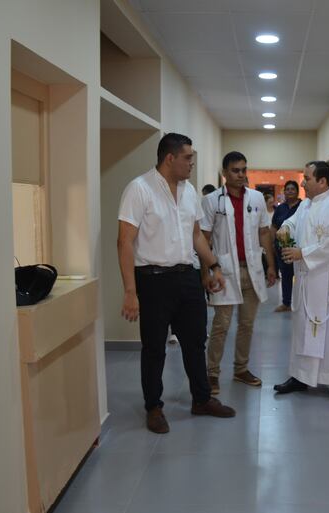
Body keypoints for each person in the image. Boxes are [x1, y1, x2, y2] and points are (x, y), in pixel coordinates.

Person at [117, 132, 236, 434]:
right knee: (155, 347)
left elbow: (196, 235)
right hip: (153, 280)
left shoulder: (189, 191)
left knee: (195, 342)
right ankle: (154, 407)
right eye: (188, 157)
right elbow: (124, 242)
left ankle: (201, 399)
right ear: (170, 158)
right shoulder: (139, 189)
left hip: (187, 278)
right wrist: (130, 292)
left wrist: (213, 265)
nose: (192, 163)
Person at [273, 161, 329, 401]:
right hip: (306, 280)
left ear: (322, 181)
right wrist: (285, 227)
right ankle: (300, 376)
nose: (303, 182)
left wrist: (303, 253)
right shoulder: (306, 205)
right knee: (304, 329)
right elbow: (294, 223)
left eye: (307, 178)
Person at [200, 151, 277, 395]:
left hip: (251, 269)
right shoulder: (212, 200)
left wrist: (271, 266)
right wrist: (206, 273)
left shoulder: (255, 198)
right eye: (235, 170)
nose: (241, 174)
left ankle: (241, 368)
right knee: (221, 325)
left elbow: (264, 233)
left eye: (244, 169)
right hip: (223, 271)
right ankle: (211, 373)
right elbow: (204, 238)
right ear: (225, 173)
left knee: (247, 324)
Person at [271, 180, 302, 312]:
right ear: (284, 192)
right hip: (282, 248)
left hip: (298, 248)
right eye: (287, 189)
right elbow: (274, 226)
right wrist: (273, 243)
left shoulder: (303, 206)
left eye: (292, 189)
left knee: (300, 275)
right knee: (286, 275)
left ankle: (301, 304)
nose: (289, 191)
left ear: (297, 191)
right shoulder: (280, 208)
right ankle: (286, 303)